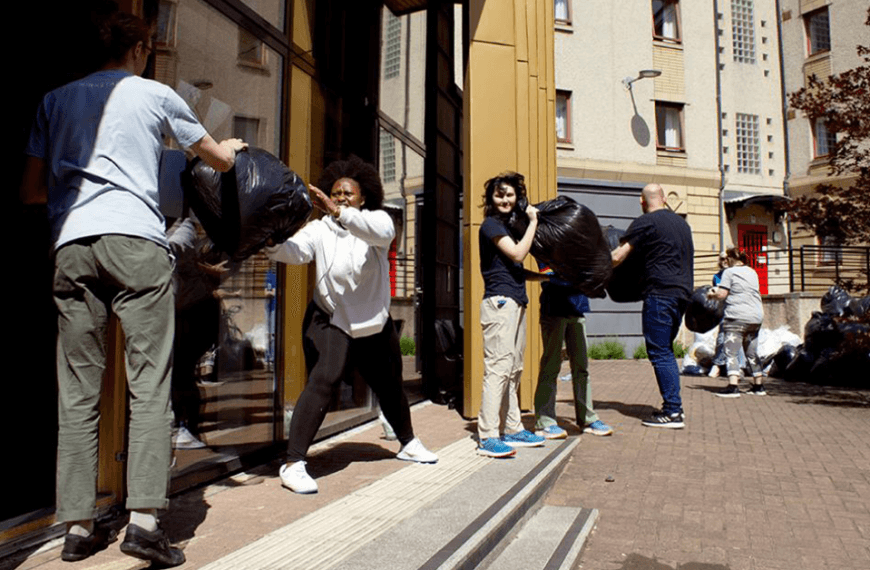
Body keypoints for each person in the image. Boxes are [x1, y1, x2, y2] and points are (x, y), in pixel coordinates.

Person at [20, 12, 247, 566]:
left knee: (76, 393)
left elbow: (30, 191)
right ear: (141, 47)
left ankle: (77, 527)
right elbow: (215, 158)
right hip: (136, 243)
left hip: (71, 246)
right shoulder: (154, 94)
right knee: (149, 385)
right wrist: (235, 149)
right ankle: (144, 522)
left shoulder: (54, 100)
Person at [265, 156, 437, 495]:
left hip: (373, 320)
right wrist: (271, 241)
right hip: (331, 317)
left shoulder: (378, 221)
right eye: (335, 193)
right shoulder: (319, 229)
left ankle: (408, 442)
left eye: (347, 194)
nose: (340, 198)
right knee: (324, 380)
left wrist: (339, 212)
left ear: (362, 198)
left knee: (390, 386)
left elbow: (379, 231)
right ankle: (294, 463)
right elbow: (295, 252)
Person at [611, 183, 694, 429]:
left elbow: (618, 256)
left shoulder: (646, 222)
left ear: (642, 201)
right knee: (666, 351)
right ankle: (674, 406)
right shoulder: (682, 224)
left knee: (659, 353)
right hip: (682, 295)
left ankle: (673, 411)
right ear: (665, 198)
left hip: (660, 293)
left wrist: (592, 271)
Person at [477, 172, 547, 458]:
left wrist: (544, 278)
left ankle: (513, 427)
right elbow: (518, 254)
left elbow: (515, 268)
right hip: (500, 304)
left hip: (515, 302)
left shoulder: (507, 226)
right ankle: (488, 436)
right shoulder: (491, 225)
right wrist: (533, 222)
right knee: (497, 368)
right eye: (499, 195)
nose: (505, 199)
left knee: (514, 369)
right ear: (491, 200)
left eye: (509, 194)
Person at [533, 272, 613, 439]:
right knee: (551, 366)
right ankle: (545, 422)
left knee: (581, 368)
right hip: (553, 308)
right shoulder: (547, 245)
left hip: (577, 309)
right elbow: (547, 275)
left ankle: (588, 419)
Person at [707, 247, 766, 397]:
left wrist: (711, 295)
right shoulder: (752, 272)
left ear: (731, 258)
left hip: (736, 316)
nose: (725, 261)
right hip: (756, 316)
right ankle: (758, 386)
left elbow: (722, 294)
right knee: (752, 352)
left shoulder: (729, 272)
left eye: (726, 258)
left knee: (731, 352)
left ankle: (733, 386)